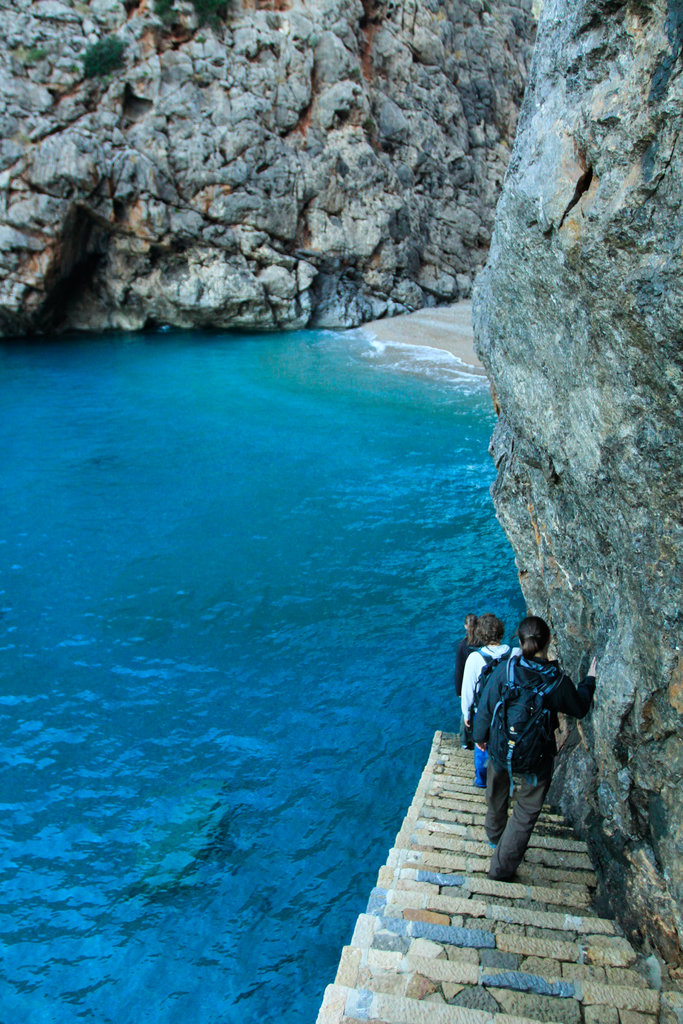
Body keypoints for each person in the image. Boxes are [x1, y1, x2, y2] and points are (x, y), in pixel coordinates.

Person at [473, 615, 596, 881]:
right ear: (549, 641)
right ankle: (501, 867)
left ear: (519, 641)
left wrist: (479, 736)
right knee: (525, 811)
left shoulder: (506, 670)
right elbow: (580, 707)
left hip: (499, 747)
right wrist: (590, 681)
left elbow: (485, 705)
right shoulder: (556, 682)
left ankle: (495, 837)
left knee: (496, 792)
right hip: (535, 757)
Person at [461, 613, 511, 786]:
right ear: (501, 632)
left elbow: (467, 690)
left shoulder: (475, 658)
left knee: (481, 748)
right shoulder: (513, 654)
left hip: (483, 712)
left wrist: (466, 714)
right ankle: (502, 779)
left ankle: (482, 781)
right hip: (507, 710)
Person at [454, 613, 478, 748]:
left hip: (466, 686)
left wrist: (459, 691)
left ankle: (465, 741)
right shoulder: (483, 643)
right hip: (481, 684)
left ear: (465, 627)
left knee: (466, 712)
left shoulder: (463, 646)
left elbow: (459, 670)